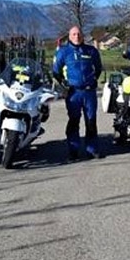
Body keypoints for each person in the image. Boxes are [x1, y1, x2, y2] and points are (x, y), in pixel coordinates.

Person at [53, 26, 104, 160]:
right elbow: (56, 71)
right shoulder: (63, 52)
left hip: (89, 92)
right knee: (74, 121)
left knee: (91, 121)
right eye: (74, 34)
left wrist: (92, 81)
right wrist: (64, 84)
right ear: (69, 36)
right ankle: (73, 150)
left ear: (82, 36)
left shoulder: (91, 51)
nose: (77, 36)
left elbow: (98, 69)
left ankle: (92, 149)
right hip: (73, 93)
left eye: (79, 34)